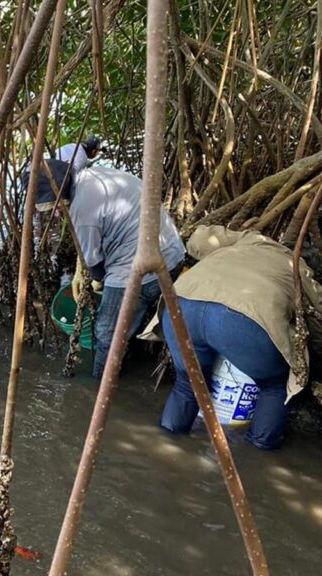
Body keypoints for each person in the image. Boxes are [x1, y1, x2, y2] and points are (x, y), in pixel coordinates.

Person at [148, 225, 322, 449]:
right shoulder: (300, 271)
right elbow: (317, 325)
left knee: (187, 383)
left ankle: (167, 445)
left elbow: (199, 239)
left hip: (181, 304)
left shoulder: (252, 240)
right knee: (275, 386)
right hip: (240, 320)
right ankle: (259, 451)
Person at [67, 166, 185, 379]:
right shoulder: (94, 174)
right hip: (172, 255)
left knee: (107, 333)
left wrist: (97, 280)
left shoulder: (80, 209)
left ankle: (99, 387)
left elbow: (93, 263)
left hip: (139, 270)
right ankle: (131, 354)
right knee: (129, 320)